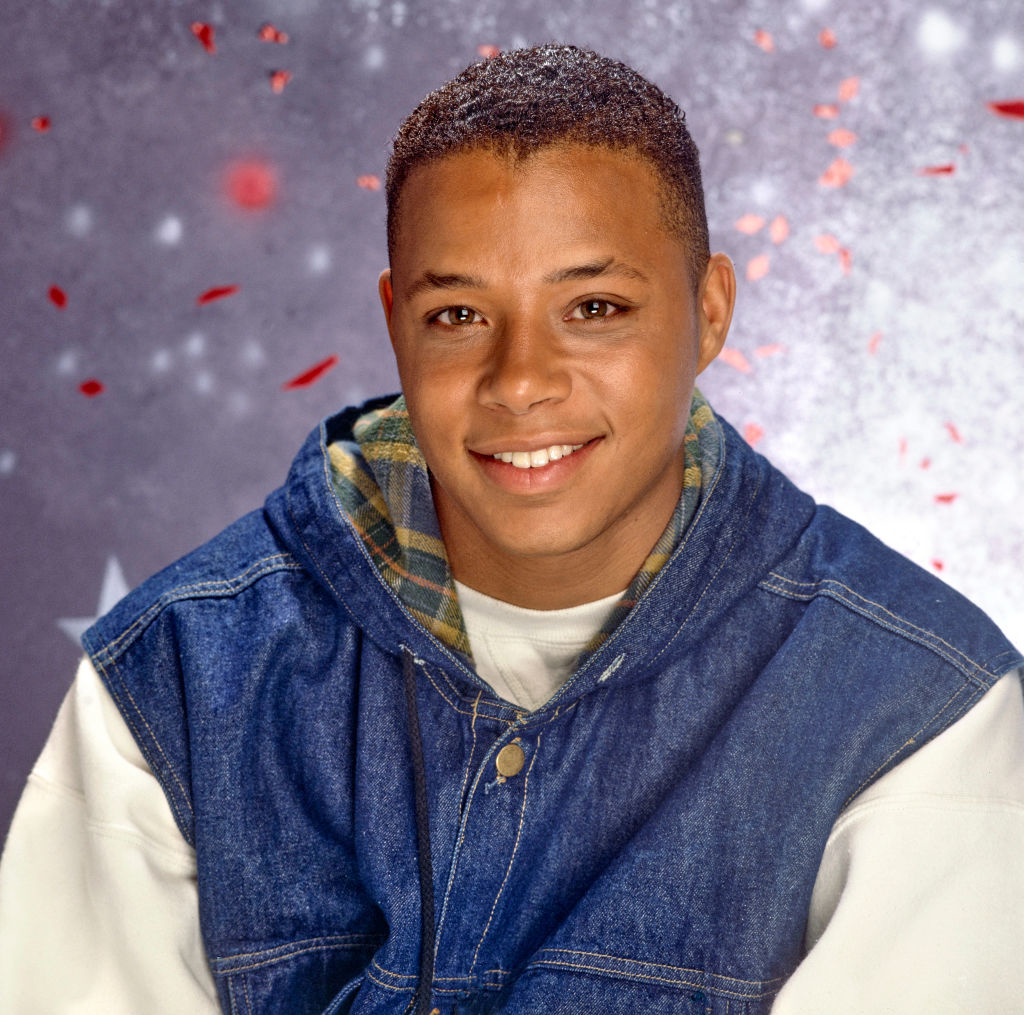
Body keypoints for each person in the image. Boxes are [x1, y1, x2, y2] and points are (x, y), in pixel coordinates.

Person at [1, 44, 1022, 1015]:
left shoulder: (919, 710)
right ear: (397, 318)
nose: (522, 379)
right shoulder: (174, 680)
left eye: (595, 305)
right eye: (459, 316)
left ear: (710, 311)